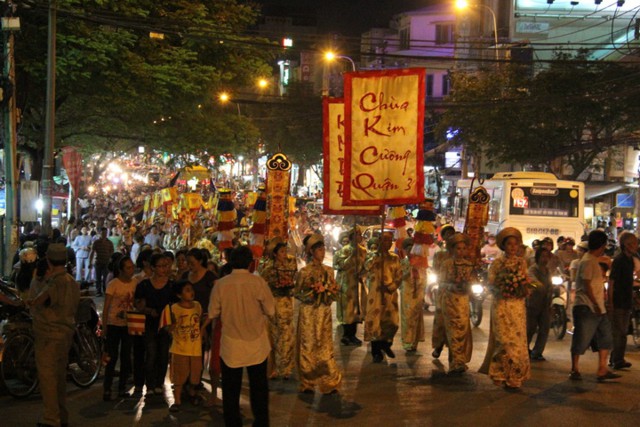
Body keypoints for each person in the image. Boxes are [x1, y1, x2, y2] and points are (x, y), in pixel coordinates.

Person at [208, 245, 274, 427]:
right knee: (259, 389)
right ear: (250, 262)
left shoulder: (221, 284)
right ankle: (261, 423)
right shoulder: (258, 283)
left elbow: (212, 312)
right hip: (257, 344)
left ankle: (233, 423)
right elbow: (270, 310)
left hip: (231, 345)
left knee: (230, 391)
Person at [28, 243, 80, 427]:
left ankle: (51, 419)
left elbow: (37, 301)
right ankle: (61, 416)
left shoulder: (54, 283)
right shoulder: (71, 281)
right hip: (66, 334)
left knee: (48, 378)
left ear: (49, 261)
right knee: (59, 378)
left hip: (49, 335)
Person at [479, 227, 531, 389]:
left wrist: (523, 288)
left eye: (515, 244)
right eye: (509, 244)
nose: (513, 247)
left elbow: (526, 280)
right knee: (503, 340)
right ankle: (499, 373)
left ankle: (515, 375)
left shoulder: (522, 262)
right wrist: (503, 287)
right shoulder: (497, 263)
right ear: (504, 245)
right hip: (501, 305)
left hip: (517, 306)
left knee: (517, 341)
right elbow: (491, 283)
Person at [569, 229, 620, 382]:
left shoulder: (593, 260)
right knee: (581, 338)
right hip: (586, 306)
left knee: (606, 338)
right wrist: (596, 304)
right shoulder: (587, 261)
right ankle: (575, 369)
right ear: (602, 245)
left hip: (598, 307)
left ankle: (602, 369)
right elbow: (586, 286)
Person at [294, 234, 342, 392]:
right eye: (319, 249)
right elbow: (297, 293)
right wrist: (312, 295)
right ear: (311, 251)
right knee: (308, 345)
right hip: (308, 312)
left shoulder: (329, 271)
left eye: (323, 249)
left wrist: (329, 293)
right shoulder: (304, 272)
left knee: (324, 345)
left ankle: (329, 379)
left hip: (323, 312)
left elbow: (334, 292)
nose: (322, 252)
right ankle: (308, 380)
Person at [134, 253, 176, 397]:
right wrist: (148, 310)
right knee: (151, 353)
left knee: (163, 354)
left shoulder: (171, 285)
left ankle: (159, 383)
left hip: (165, 324)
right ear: (153, 267)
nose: (164, 269)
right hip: (149, 324)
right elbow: (138, 305)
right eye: (160, 266)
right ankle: (150, 384)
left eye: (166, 266)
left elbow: (175, 305)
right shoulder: (144, 285)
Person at [160, 280, 203, 412]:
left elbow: (199, 322)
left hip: (195, 347)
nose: (191, 292)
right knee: (179, 375)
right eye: (187, 290)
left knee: (195, 374)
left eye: (191, 289)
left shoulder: (197, 306)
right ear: (179, 295)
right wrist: (172, 326)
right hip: (180, 347)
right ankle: (177, 400)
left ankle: (192, 393)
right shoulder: (174, 308)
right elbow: (167, 327)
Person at [260, 238, 297, 379]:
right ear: (275, 254)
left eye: (285, 251)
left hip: (286, 303)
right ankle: (273, 367)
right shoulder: (268, 269)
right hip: (274, 303)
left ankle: (286, 368)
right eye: (281, 252)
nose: (284, 254)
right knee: (274, 335)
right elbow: (262, 287)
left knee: (287, 336)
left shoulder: (290, 266)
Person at [102, 256, 137, 400]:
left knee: (126, 356)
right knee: (111, 356)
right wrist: (104, 326)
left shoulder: (134, 283)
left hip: (128, 323)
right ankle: (107, 388)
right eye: (128, 267)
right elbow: (106, 307)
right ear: (121, 270)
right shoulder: (113, 284)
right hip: (113, 323)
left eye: (132, 267)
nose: (131, 270)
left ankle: (122, 387)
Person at [364, 231, 402, 363]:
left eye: (390, 240)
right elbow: (366, 267)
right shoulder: (372, 256)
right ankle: (376, 351)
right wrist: (377, 256)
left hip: (389, 295)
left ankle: (386, 344)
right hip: (375, 294)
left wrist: (391, 287)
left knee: (392, 322)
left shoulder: (394, 258)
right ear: (379, 241)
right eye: (385, 240)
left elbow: (399, 276)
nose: (388, 243)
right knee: (375, 322)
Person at [439, 233, 474, 373]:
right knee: (453, 331)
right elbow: (441, 283)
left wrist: (469, 286)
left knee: (462, 330)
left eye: (463, 248)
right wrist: (452, 286)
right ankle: (456, 362)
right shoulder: (446, 264)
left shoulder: (469, 264)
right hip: (450, 301)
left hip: (463, 302)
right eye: (458, 248)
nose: (461, 251)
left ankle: (459, 360)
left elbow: (473, 281)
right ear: (452, 249)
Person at [607, 231, 637, 370]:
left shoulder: (630, 260)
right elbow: (611, 281)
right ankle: (616, 360)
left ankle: (617, 358)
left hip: (626, 300)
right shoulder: (619, 260)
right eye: (633, 243)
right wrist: (610, 301)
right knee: (619, 332)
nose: (636, 246)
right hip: (618, 301)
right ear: (626, 244)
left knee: (623, 332)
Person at [333, 228, 367, 346]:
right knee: (347, 310)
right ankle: (347, 334)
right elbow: (341, 265)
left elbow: (366, 267)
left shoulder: (363, 251)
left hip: (357, 284)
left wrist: (362, 274)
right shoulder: (344, 250)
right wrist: (352, 256)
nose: (359, 237)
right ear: (352, 237)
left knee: (356, 310)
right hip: (346, 283)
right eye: (357, 234)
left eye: (360, 234)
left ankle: (353, 335)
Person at [432, 224, 456, 359]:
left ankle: (455, 352)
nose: (450, 236)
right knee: (441, 320)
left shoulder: (461, 253)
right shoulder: (439, 255)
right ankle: (438, 346)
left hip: (457, 293)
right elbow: (436, 270)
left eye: (452, 233)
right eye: (447, 234)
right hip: (443, 291)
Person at [526, 248, 553, 361]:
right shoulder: (533, 269)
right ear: (538, 257)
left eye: (547, 256)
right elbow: (531, 279)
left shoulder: (548, 270)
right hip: (533, 303)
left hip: (545, 303)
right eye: (543, 256)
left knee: (544, 328)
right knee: (530, 329)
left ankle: (537, 352)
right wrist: (539, 285)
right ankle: (525, 349)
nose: (545, 259)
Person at [399, 238, 425, 353]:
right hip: (407, 293)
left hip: (418, 292)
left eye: (412, 249)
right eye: (408, 249)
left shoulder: (421, 263)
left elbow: (424, 277)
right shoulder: (403, 263)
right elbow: (399, 276)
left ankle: (415, 341)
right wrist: (409, 270)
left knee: (417, 317)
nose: (410, 251)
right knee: (407, 317)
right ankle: (407, 341)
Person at [91, 227, 115, 297]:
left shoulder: (109, 242)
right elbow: (92, 252)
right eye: (102, 233)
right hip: (98, 261)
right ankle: (98, 291)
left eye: (105, 233)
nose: (104, 234)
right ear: (100, 233)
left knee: (105, 277)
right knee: (98, 278)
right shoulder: (96, 242)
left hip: (106, 262)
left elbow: (112, 252)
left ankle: (105, 290)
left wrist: (111, 260)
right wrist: (90, 262)